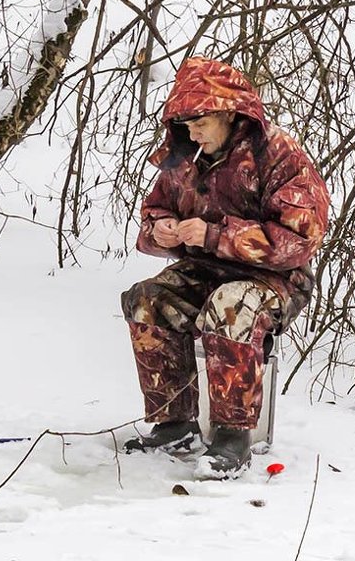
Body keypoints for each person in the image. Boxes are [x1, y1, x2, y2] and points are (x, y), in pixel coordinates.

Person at [120, 57, 330, 479]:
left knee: (229, 306)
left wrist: (218, 236)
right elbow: (154, 210)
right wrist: (160, 230)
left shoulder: (279, 154)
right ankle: (172, 423)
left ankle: (233, 435)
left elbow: (301, 238)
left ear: (230, 113)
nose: (191, 131)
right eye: (184, 122)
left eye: (199, 121)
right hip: (203, 268)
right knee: (146, 300)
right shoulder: (183, 155)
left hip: (275, 278)